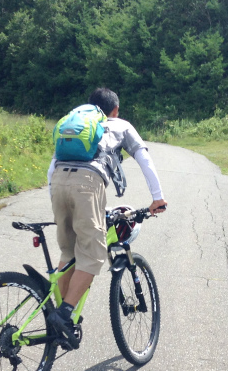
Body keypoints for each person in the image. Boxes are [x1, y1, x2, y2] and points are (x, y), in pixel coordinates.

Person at [46, 87, 167, 350]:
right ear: (115, 110)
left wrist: (57, 196)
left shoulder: (78, 126)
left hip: (58, 181)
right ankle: (64, 314)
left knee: (69, 253)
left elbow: (52, 166)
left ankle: (59, 313)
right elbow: (143, 157)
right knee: (94, 254)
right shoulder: (119, 124)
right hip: (88, 182)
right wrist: (157, 198)